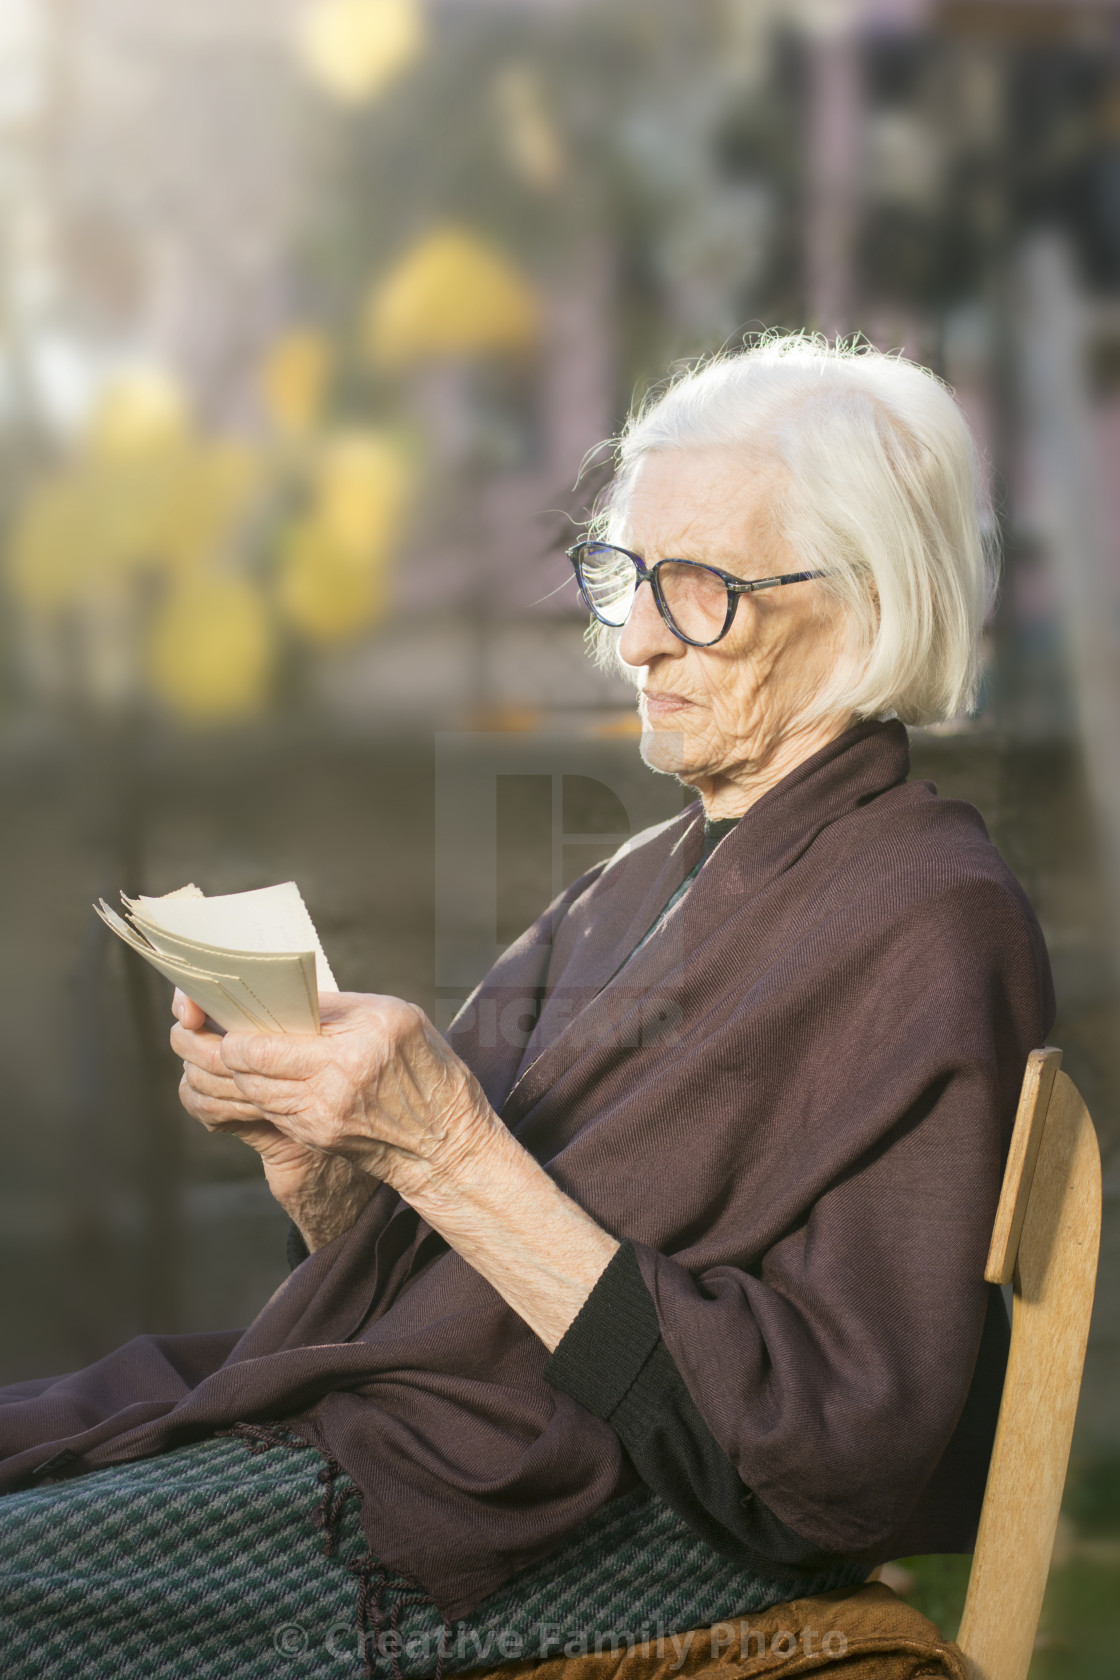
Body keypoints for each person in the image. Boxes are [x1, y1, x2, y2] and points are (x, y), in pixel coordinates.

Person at [0, 334, 1053, 1680]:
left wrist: (446, 1143)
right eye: (625, 576)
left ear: (868, 601)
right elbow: (456, 1277)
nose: (637, 638)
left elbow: (825, 1452)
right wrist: (330, 1163)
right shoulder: (640, 878)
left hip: (590, 1520)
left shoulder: (925, 911)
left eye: (702, 588)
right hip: (445, 1445)